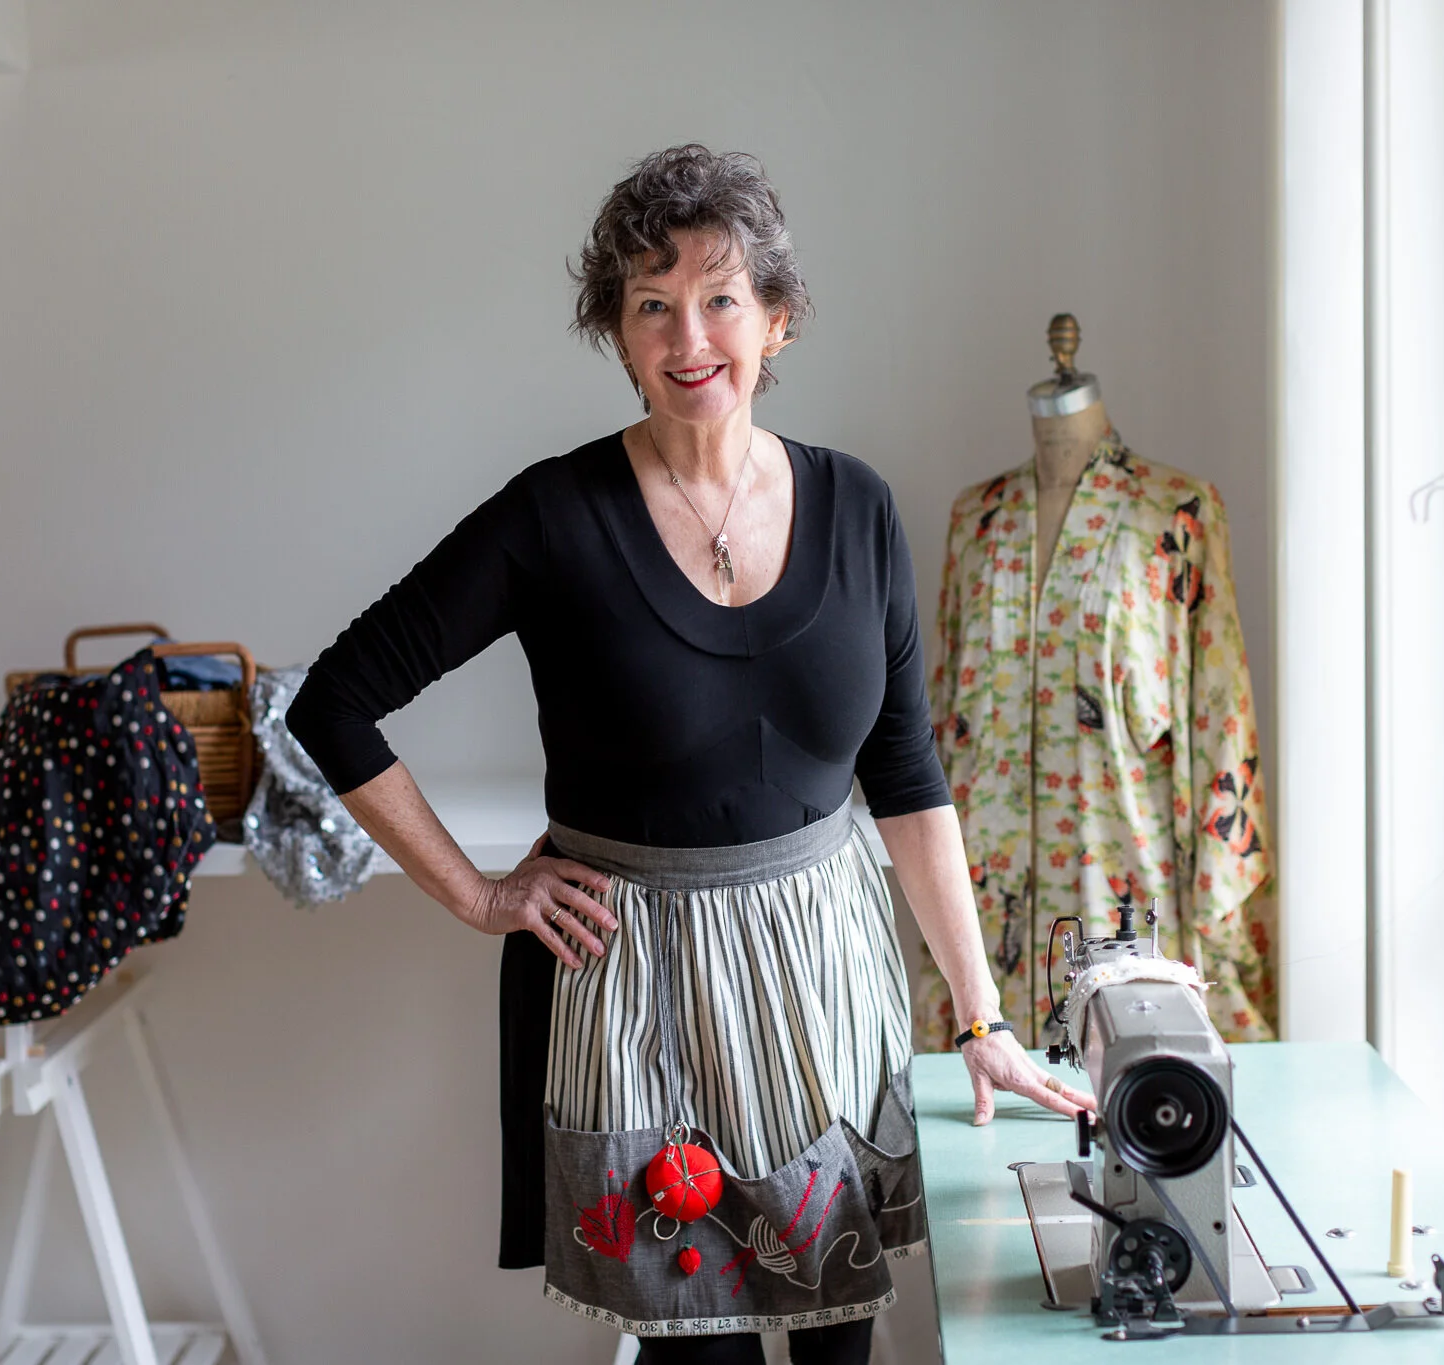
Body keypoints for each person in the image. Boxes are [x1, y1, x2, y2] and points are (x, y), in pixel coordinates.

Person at [287, 144, 1089, 1365]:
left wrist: (981, 1020)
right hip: (638, 996)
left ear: (777, 319)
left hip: (825, 986)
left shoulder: (857, 508)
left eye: (719, 297)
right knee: (692, 1352)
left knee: (838, 1345)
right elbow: (335, 701)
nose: (688, 337)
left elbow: (906, 780)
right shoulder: (552, 517)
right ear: (616, 336)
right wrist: (478, 895)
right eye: (649, 305)